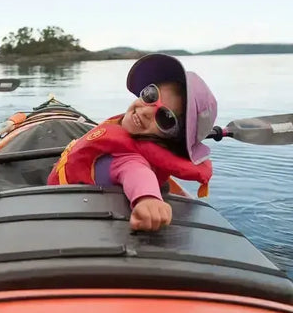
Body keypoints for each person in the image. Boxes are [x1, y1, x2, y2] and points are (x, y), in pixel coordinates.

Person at [47, 53, 218, 232]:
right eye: (151, 95)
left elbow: (137, 174)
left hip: (64, 204)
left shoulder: (130, 158)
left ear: (173, 141)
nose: (146, 112)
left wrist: (148, 199)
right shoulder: (122, 132)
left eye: (165, 118)